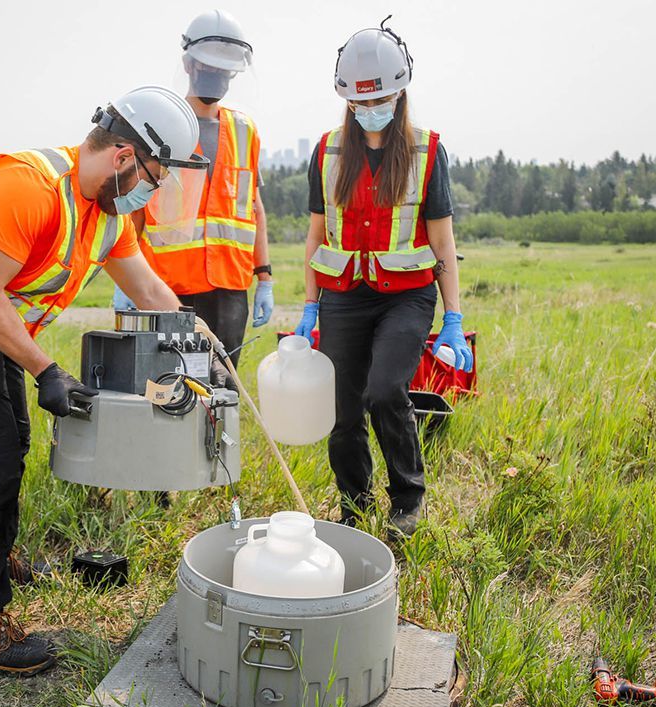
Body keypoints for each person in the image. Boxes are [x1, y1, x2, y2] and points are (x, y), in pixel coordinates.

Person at [0, 86, 208, 676]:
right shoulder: (30, 187)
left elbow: (150, 293)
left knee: (12, 446)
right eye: (153, 179)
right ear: (121, 158)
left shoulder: (106, 216)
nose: (152, 192)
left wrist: (201, 346)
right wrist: (45, 369)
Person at [295, 19, 473, 539]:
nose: (371, 109)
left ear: (400, 91)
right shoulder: (328, 151)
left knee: (384, 389)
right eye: (360, 101)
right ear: (346, 99)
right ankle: (353, 506)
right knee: (343, 410)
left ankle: (407, 498)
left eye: (382, 98)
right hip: (344, 295)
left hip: (407, 298)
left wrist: (454, 318)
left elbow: (442, 243)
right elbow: (313, 236)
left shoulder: (426, 150)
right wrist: (308, 307)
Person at [114, 9, 272, 368]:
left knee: (223, 384)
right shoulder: (163, 125)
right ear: (188, 65)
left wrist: (264, 277)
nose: (217, 78)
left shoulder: (245, 130)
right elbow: (136, 207)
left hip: (230, 285)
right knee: (171, 384)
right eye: (209, 68)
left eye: (224, 71)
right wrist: (126, 277)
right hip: (169, 283)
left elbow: (254, 207)